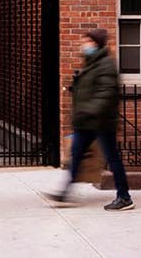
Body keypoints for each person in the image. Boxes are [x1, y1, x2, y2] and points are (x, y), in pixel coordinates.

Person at [50, 26, 134, 211]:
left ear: (97, 44)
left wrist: (87, 111)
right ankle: (64, 194)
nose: (84, 45)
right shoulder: (92, 63)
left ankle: (124, 197)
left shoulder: (106, 65)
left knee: (112, 159)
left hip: (101, 122)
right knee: (76, 155)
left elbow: (106, 95)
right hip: (87, 122)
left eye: (88, 41)